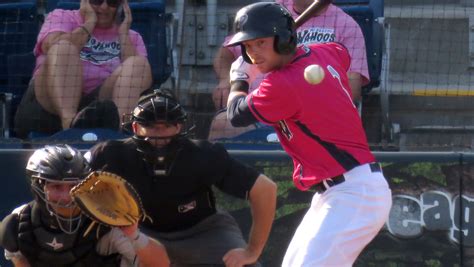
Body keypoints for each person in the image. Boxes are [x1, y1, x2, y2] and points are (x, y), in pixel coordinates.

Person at [225, 3, 392, 266]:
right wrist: (284, 54)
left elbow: (235, 114)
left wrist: (240, 79)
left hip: (353, 193)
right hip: (335, 193)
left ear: (283, 39)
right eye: (247, 47)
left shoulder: (282, 84)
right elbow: (340, 54)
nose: (253, 53)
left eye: (261, 43)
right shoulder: (324, 51)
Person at [85, 89, 277, 266]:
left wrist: (252, 251)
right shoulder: (110, 154)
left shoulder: (203, 154)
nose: (159, 134)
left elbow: (265, 189)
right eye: (151, 126)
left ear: (179, 126)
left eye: (167, 125)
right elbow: (66, 180)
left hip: (203, 232)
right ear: (135, 127)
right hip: (139, 232)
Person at [209, 0, 369, 140]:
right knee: (220, 124)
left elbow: (352, 88)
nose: (252, 50)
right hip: (262, 106)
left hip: (311, 112)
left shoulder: (346, 25)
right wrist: (225, 80)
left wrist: (305, 94)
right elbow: (225, 54)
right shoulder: (272, 12)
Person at [0, 144, 169, 267]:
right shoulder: (21, 220)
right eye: (56, 187)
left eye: (74, 186)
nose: (67, 196)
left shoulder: (106, 219)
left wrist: (134, 234)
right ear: (39, 186)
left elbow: (161, 264)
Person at [14, 0, 152, 138]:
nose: (104, 7)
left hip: (98, 106)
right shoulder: (62, 17)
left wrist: (123, 34)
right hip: (48, 104)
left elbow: (140, 76)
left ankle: (120, 134)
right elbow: (49, 47)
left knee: (138, 63)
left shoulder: (132, 36)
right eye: (97, 1)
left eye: (112, 2)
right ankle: (70, 125)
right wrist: (88, 24)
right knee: (64, 47)